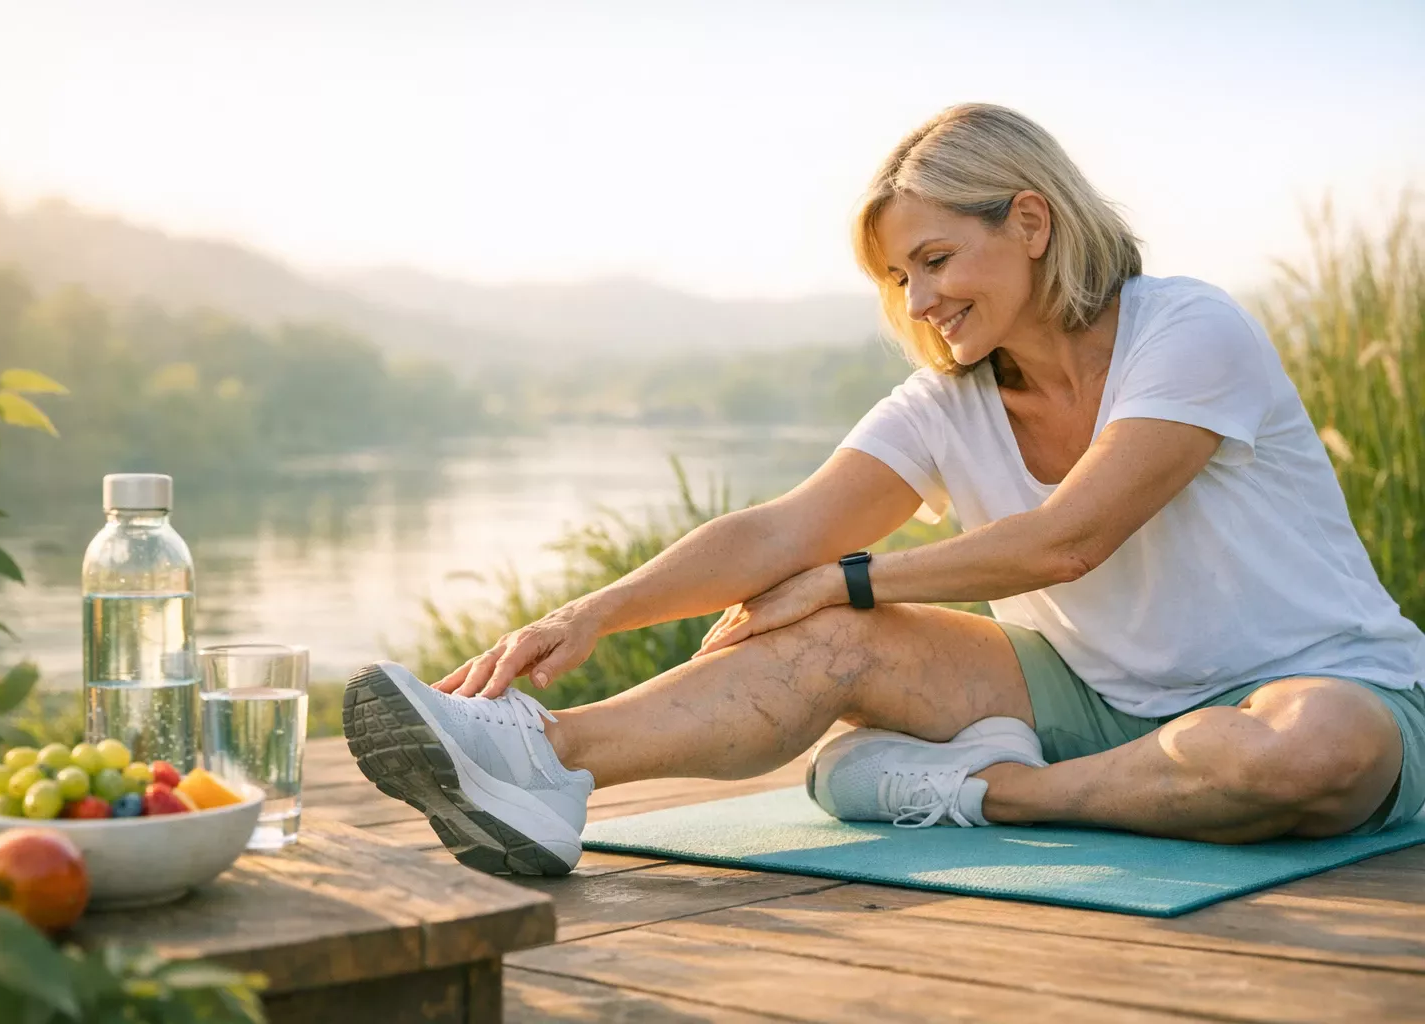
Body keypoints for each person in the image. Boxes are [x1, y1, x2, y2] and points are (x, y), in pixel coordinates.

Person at [342, 103, 1425, 876]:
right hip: (1086, 696)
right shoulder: (946, 400)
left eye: (937, 259)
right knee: (824, 636)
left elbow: (1068, 540)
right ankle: (539, 756)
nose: (920, 300)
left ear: (1033, 223)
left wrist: (853, 577)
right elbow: (782, 529)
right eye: (900, 278)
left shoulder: (1188, 330)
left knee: (1314, 755)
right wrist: (594, 610)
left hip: (1324, 682)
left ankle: (966, 790)